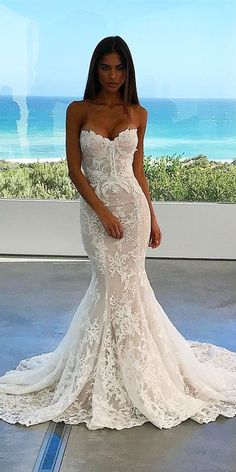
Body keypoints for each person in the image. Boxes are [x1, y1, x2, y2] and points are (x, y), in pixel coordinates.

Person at [0, 36, 236, 431]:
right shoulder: (78, 110)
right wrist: (104, 213)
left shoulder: (139, 113)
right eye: (105, 67)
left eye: (119, 68)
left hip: (134, 211)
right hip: (97, 216)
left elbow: (138, 171)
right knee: (109, 286)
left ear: (128, 71)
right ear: (95, 70)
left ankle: (137, 371)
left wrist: (154, 218)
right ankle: (102, 372)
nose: (112, 75)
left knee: (131, 289)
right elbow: (75, 171)